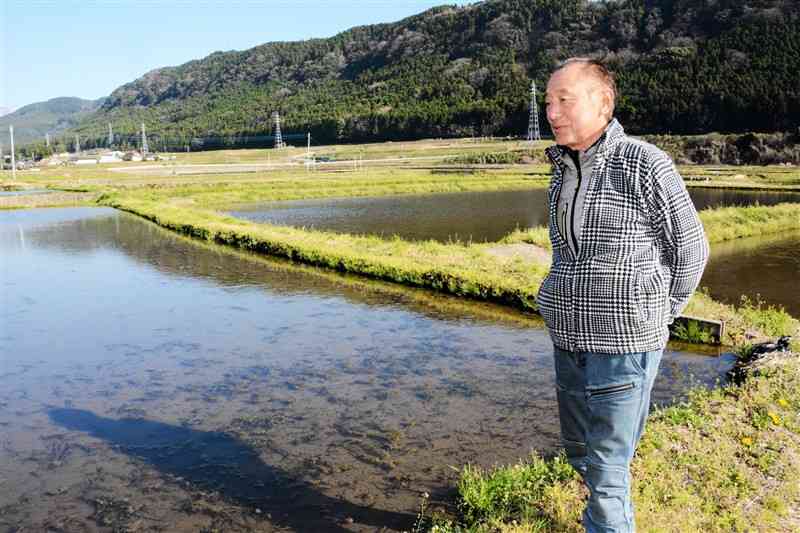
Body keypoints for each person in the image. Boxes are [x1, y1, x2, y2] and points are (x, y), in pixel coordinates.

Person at [537, 58, 709, 532]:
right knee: (580, 453)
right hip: (569, 340)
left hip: (624, 344)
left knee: (608, 472)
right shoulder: (561, 170)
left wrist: (657, 313)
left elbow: (691, 248)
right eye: (548, 102)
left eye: (564, 100)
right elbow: (564, 252)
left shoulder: (644, 162)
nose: (552, 112)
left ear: (603, 102)